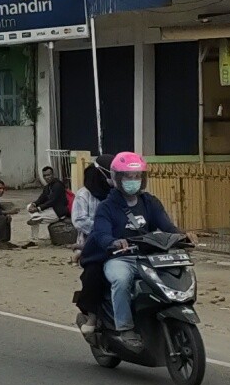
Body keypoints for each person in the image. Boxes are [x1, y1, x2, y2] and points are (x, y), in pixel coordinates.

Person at [80, 151, 179, 353]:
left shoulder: (149, 202)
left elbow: (166, 226)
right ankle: (125, 329)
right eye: (127, 176)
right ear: (117, 178)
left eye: (137, 177)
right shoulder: (107, 207)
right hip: (120, 259)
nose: (133, 181)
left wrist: (182, 235)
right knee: (121, 280)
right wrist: (114, 242)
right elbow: (100, 233)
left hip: (148, 257)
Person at [24, 166, 72, 246]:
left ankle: (34, 238)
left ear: (53, 174)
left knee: (35, 217)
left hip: (58, 212)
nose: (47, 177)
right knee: (29, 207)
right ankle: (35, 225)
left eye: (48, 175)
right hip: (50, 210)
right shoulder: (48, 186)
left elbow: (52, 201)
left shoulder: (58, 185)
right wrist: (34, 204)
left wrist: (38, 209)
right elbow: (42, 198)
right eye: (45, 176)